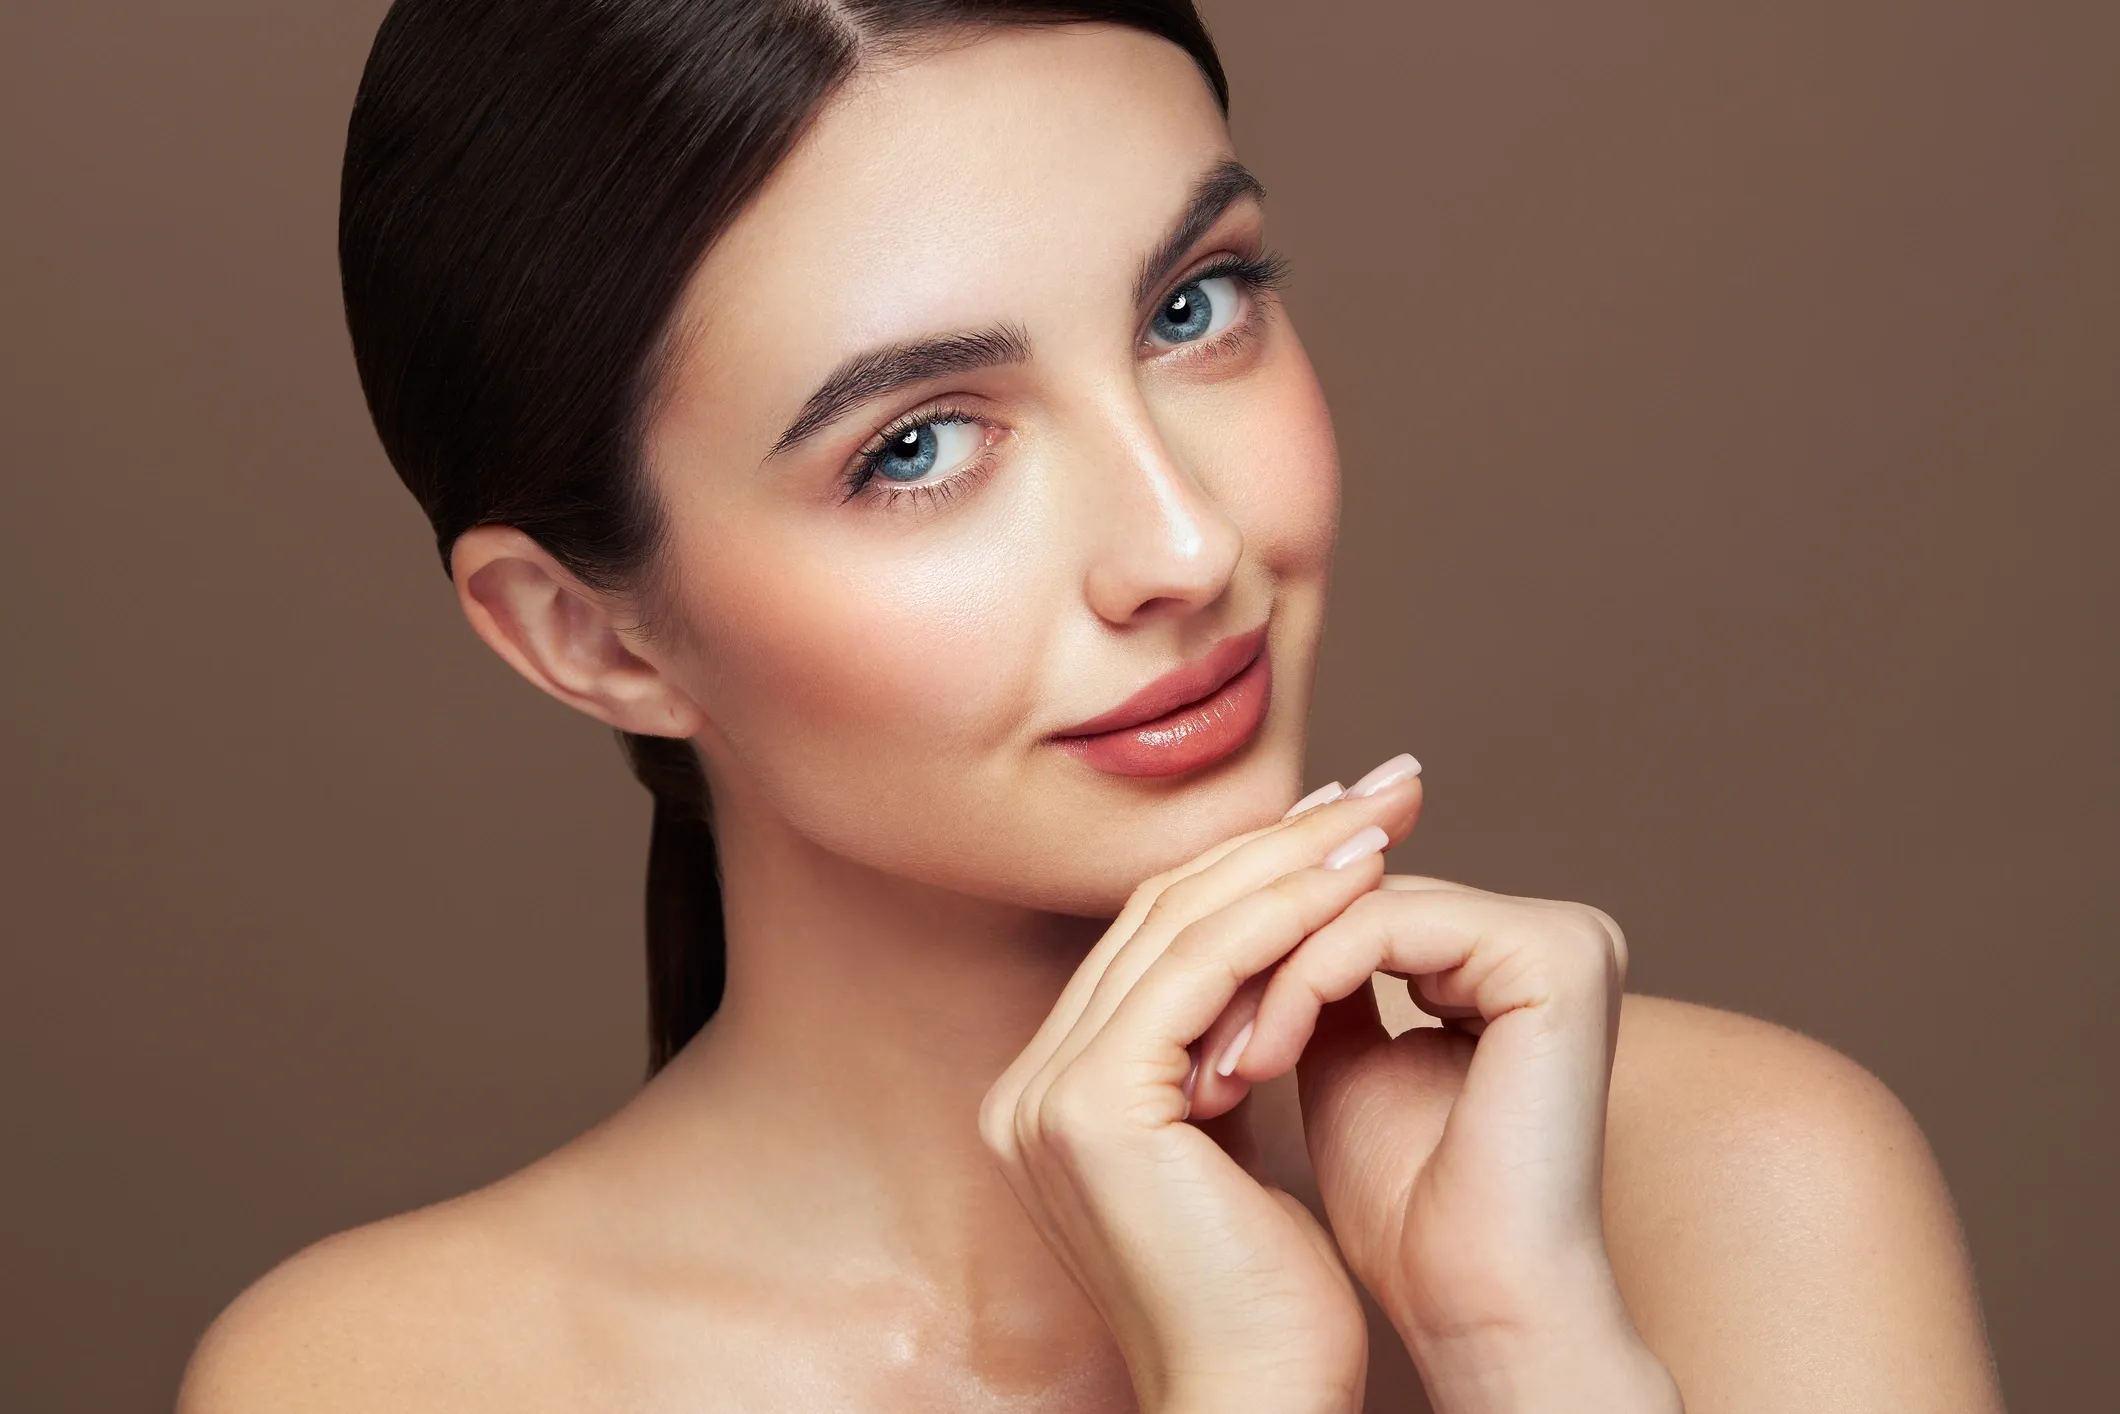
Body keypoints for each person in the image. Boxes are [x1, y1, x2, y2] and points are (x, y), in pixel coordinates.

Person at [177, 2, 2004, 1409]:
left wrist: (1528, 1351)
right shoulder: (397, 1374)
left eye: (1197, 307)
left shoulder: (1732, 1192)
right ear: (588, 634)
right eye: (915, 445)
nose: (1185, 540)